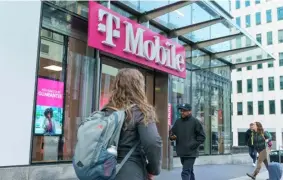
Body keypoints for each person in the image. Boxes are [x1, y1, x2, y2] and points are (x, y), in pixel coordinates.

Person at [103, 68, 162, 180]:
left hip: (103, 170)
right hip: (130, 170)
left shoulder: (106, 110)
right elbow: (153, 142)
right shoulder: (141, 111)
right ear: (139, 87)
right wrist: (153, 169)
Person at [169, 104, 206, 180]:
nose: (182, 112)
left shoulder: (195, 122)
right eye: (181, 110)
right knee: (189, 171)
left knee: (185, 172)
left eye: (184, 111)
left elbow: (202, 137)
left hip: (191, 153)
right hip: (182, 152)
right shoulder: (178, 122)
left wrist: (193, 145)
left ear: (190, 111)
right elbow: (172, 135)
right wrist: (171, 136)